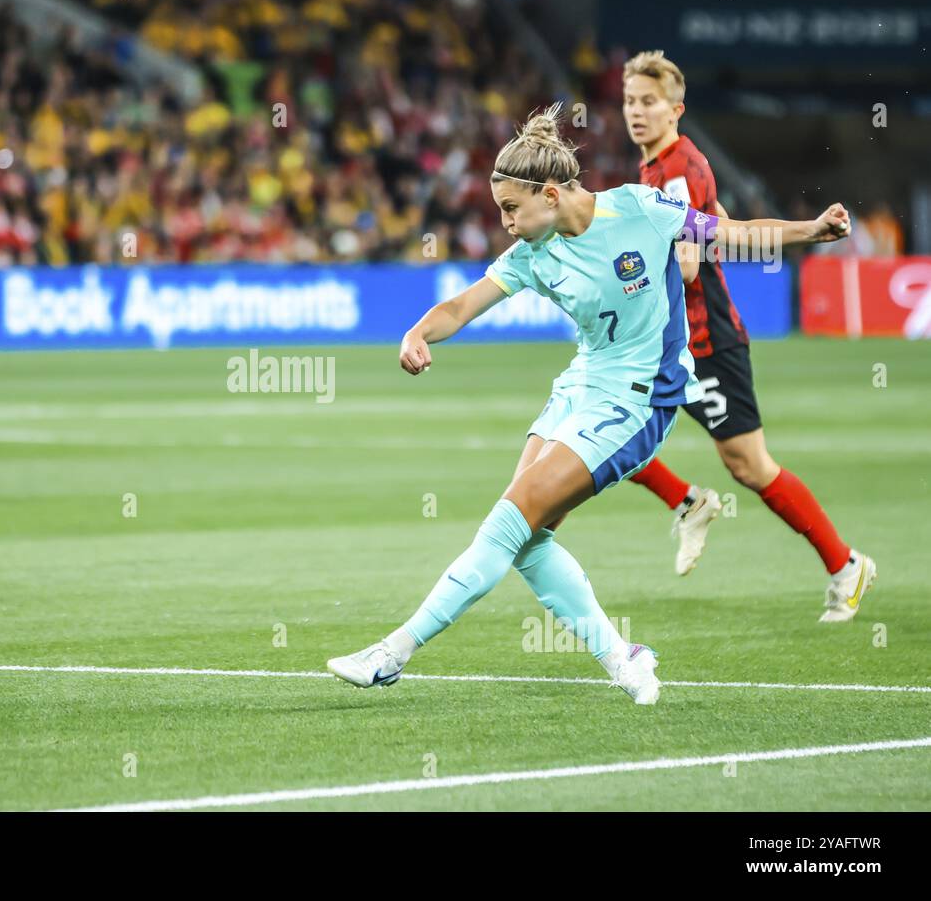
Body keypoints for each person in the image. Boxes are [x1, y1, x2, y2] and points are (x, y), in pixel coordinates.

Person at [326, 104, 852, 703]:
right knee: (527, 539)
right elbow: (460, 306)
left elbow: (724, 234)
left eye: (510, 209)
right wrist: (417, 332)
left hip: (640, 398)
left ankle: (394, 652)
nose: (505, 223)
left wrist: (810, 231)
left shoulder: (639, 209)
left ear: (550, 194)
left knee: (508, 520)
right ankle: (625, 658)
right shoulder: (532, 252)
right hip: (580, 385)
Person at [621, 50, 875, 622]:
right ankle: (687, 502)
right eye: (630, 101)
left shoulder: (680, 170)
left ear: (675, 109)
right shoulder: (660, 168)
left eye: (649, 102)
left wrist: (630, 259)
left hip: (704, 340)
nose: (637, 112)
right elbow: (728, 232)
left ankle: (844, 564)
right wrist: (804, 232)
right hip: (668, 336)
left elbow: (691, 262)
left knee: (749, 466)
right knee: (609, 428)